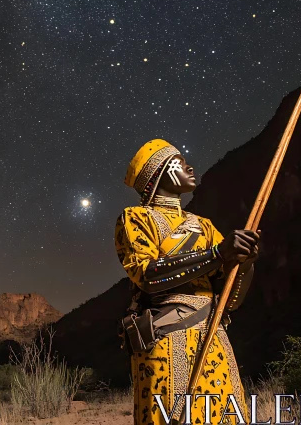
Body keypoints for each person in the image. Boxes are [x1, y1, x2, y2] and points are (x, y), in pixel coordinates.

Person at [115, 138, 260, 425]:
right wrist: (218, 253)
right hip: (164, 336)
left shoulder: (204, 225)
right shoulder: (135, 218)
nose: (190, 167)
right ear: (158, 174)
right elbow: (147, 275)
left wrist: (244, 265)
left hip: (211, 333)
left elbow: (229, 296)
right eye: (180, 163)